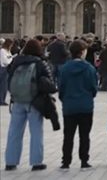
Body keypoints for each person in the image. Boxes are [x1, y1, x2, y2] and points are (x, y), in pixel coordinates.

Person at [4, 39, 56, 172]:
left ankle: (10, 162)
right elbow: (49, 83)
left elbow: (9, 77)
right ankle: (36, 162)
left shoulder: (16, 61)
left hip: (17, 100)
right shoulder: (40, 63)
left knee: (14, 132)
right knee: (36, 131)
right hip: (35, 101)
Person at [57, 39, 97, 170]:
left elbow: (61, 87)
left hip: (69, 106)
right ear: (82, 52)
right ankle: (84, 161)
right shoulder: (90, 68)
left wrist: (65, 99)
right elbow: (93, 87)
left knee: (68, 135)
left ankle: (66, 162)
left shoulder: (64, 69)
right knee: (84, 135)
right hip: (85, 106)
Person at [0, 38, 13, 105]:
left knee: (5, 85)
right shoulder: (2, 50)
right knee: (3, 85)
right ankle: (1, 100)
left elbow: (10, 57)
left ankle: (3, 99)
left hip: (7, 68)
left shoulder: (8, 51)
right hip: (3, 68)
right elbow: (5, 60)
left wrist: (10, 59)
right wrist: (10, 59)